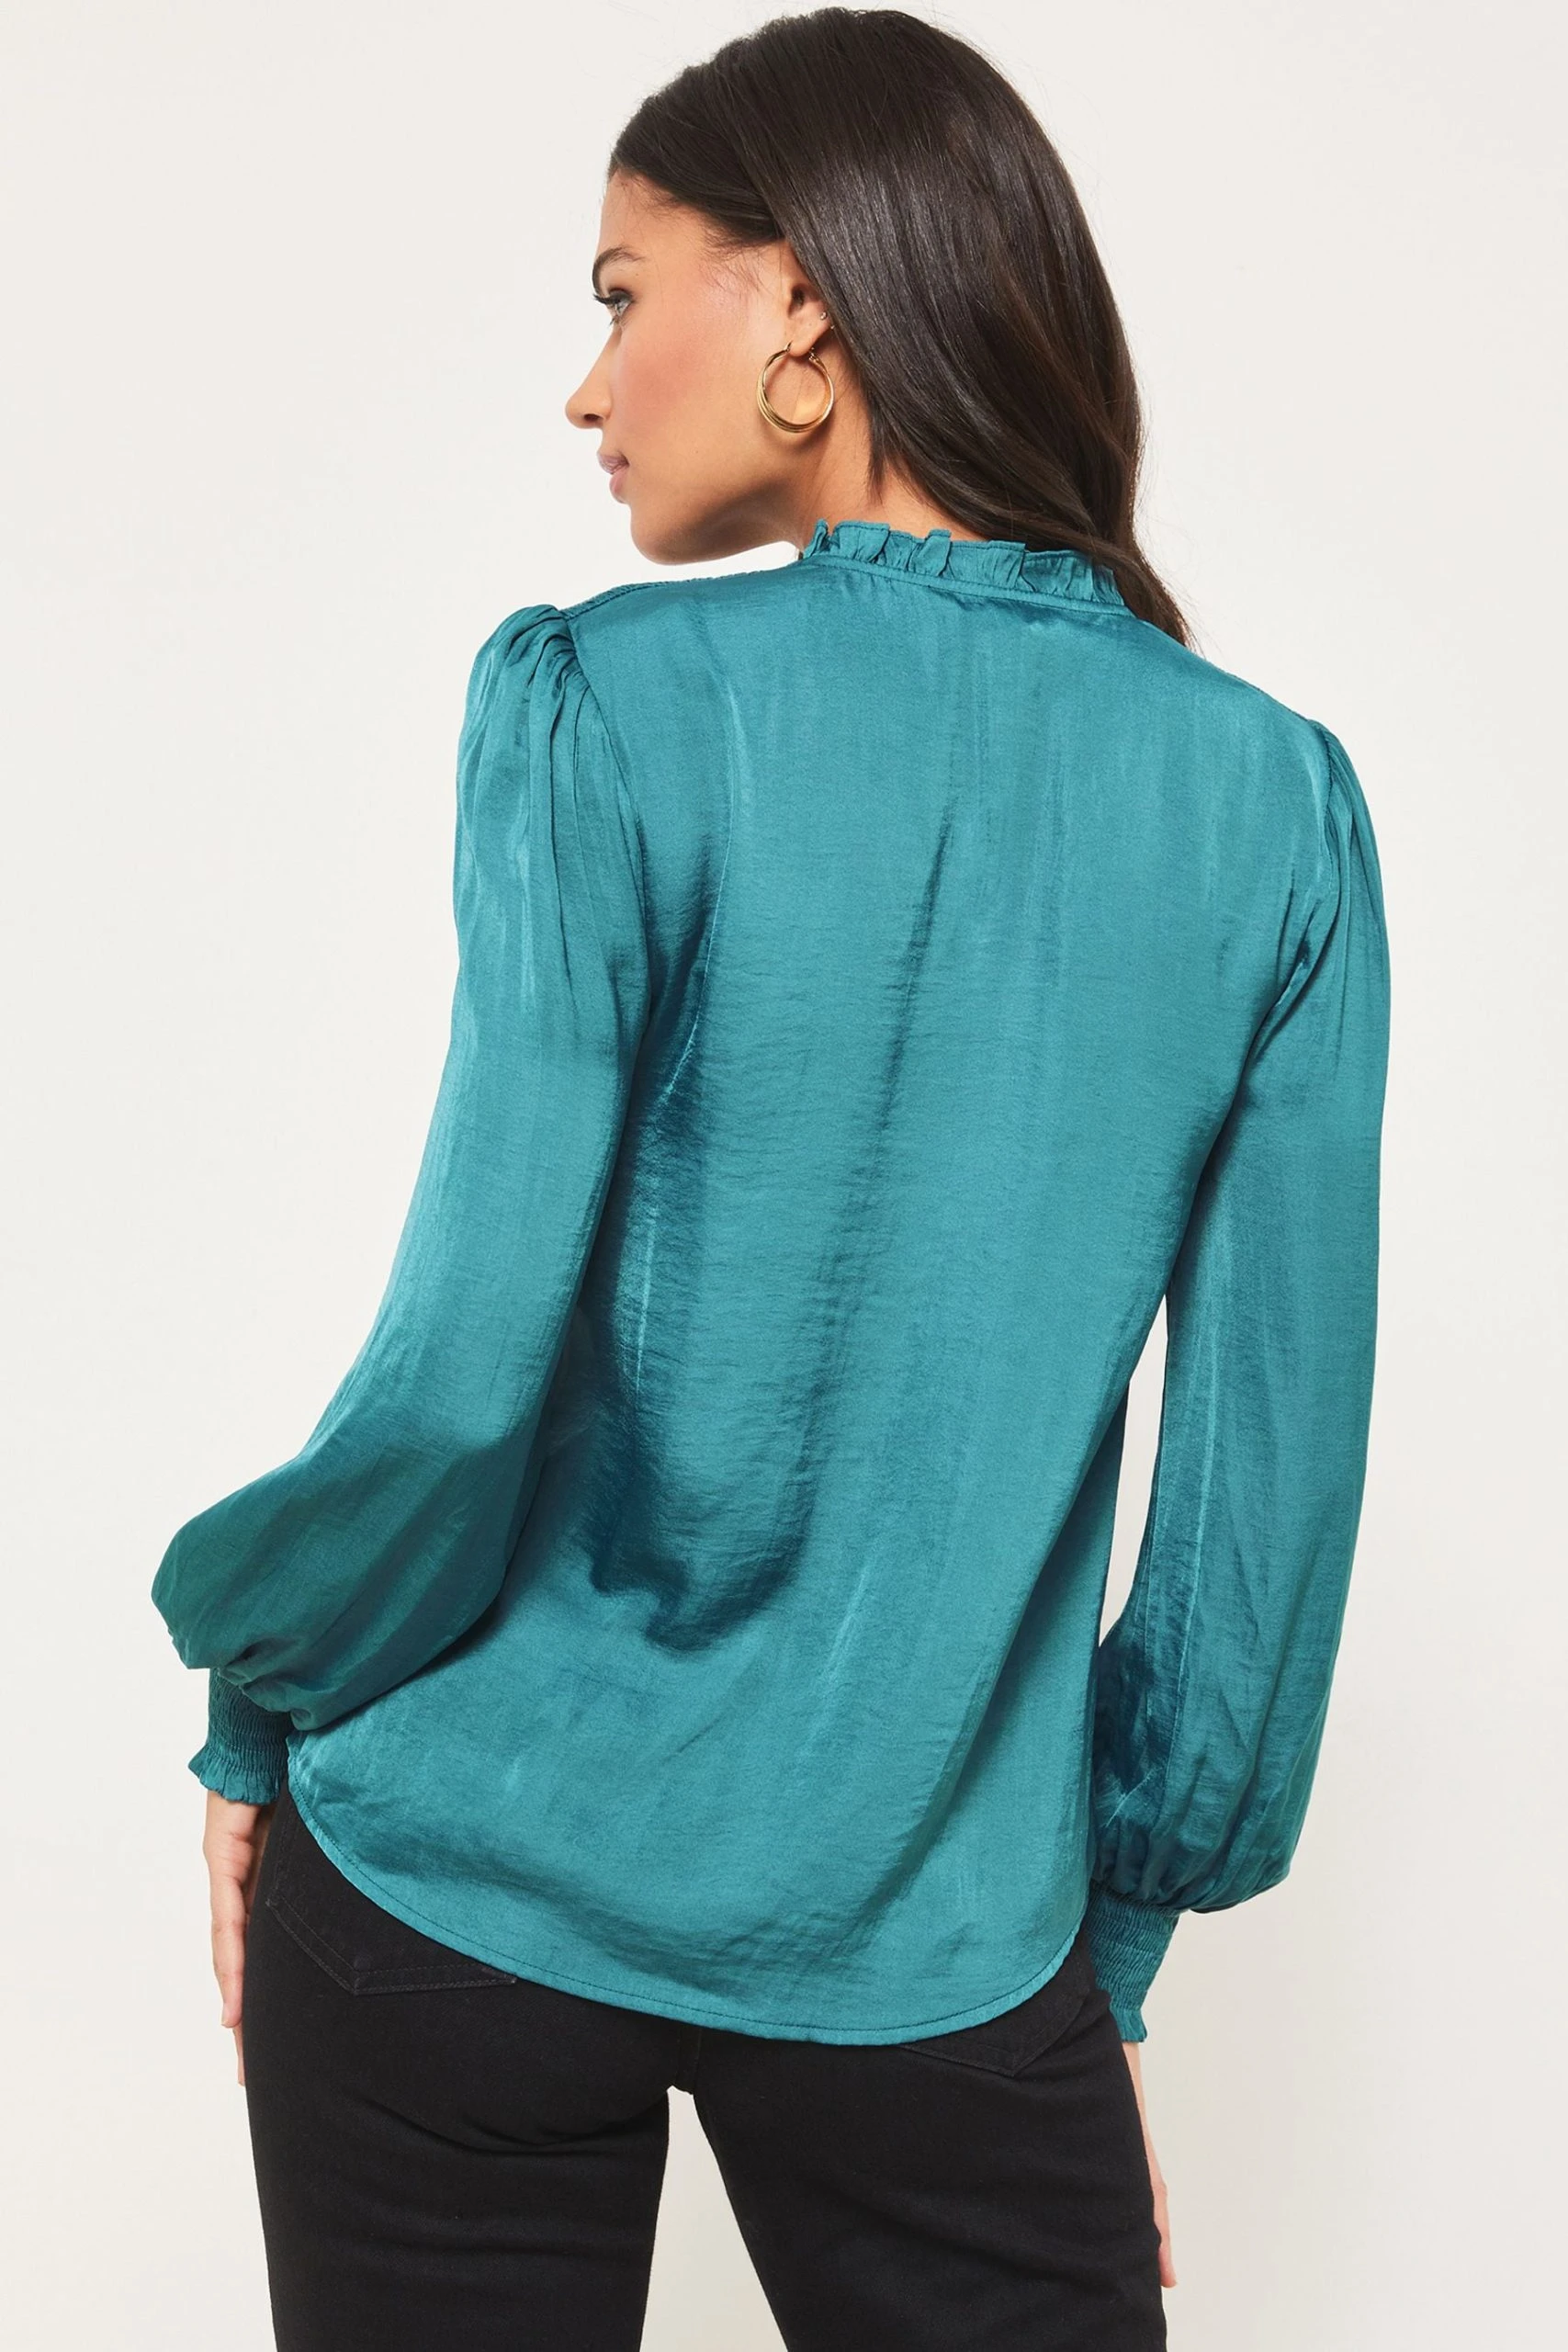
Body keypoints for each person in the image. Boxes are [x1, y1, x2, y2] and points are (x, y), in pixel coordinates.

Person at [150, 11, 1390, 2348]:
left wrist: (259, 1684)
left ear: (801, 304)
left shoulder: (603, 702)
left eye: (623, 291)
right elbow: (1262, 1523)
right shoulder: (1273, 809)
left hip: (453, 1889)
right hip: (941, 1942)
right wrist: (1104, 1945)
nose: (586, 384)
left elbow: (460, 1366)